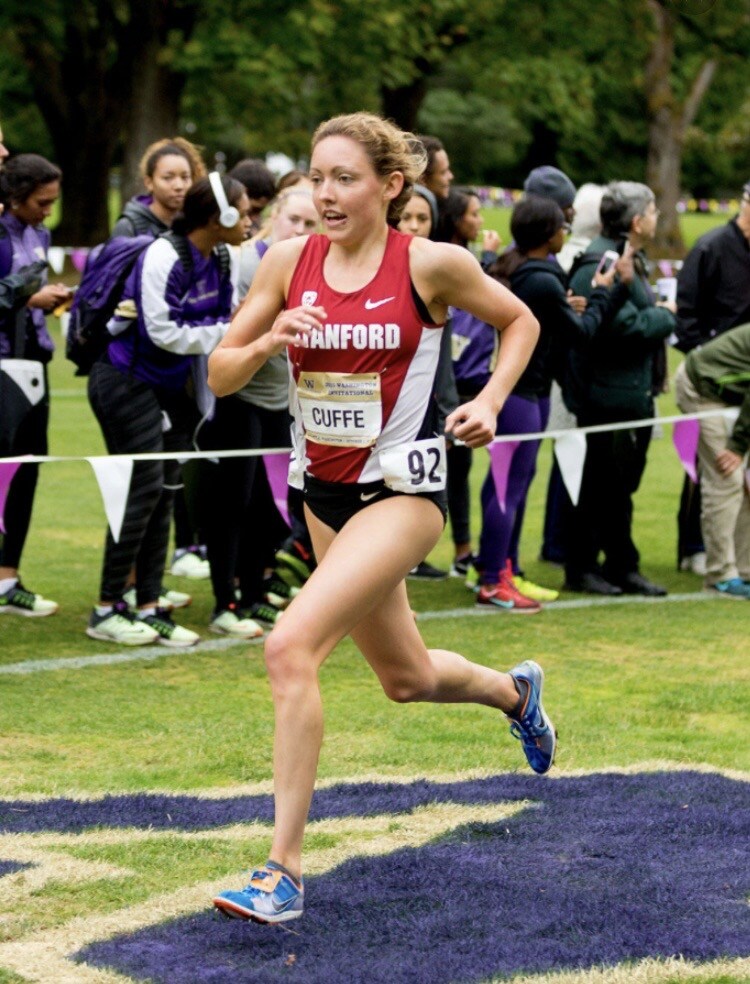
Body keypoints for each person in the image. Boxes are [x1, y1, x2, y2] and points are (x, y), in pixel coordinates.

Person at [210, 111, 555, 925]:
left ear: (390, 186)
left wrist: (490, 400)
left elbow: (521, 320)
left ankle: (281, 872)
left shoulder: (432, 263)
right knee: (406, 679)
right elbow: (221, 374)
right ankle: (515, 694)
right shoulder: (288, 263)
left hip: (402, 496)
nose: (325, 194)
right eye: (316, 177)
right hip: (324, 496)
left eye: (344, 179)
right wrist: (268, 342)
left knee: (289, 645)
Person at [86, 174, 251, 646]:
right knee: (140, 490)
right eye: (244, 209)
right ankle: (105, 608)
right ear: (219, 216)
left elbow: (223, 318)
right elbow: (164, 331)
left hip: (172, 385)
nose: (251, 219)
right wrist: (228, 331)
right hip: (125, 380)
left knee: (166, 489)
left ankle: (150, 604)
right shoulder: (164, 254)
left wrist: (228, 328)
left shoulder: (221, 255)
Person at [467, 196, 631, 613]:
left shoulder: (523, 270)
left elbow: (550, 317)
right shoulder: (540, 279)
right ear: (547, 233)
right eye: (562, 225)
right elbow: (581, 334)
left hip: (530, 392)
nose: (566, 231)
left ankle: (506, 568)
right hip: (520, 394)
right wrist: (599, 296)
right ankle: (491, 580)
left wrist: (566, 307)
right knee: (506, 487)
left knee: (512, 485)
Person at [198, 186, 320, 639]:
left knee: (270, 504)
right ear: (274, 218)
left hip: (281, 402)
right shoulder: (248, 263)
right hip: (240, 397)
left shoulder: (318, 266)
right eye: (294, 221)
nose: (302, 230)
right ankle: (224, 602)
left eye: (311, 224)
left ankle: (256, 592)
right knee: (234, 503)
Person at [563, 181, 675, 596]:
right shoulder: (601, 261)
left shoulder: (630, 260)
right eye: (652, 210)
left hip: (631, 392)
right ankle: (584, 567)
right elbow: (618, 326)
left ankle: (621, 564)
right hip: (607, 393)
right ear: (635, 220)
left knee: (620, 484)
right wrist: (666, 316)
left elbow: (638, 311)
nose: (657, 216)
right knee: (598, 484)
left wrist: (648, 304)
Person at [111, 136, 211, 586]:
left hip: (177, 370)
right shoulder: (132, 230)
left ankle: (152, 583)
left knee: (166, 480)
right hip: (133, 368)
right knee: (138, 483)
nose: (177, 185)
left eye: (185, 177)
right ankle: (128, 586)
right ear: (147, 180)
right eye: (168, 177)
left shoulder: (194, 236)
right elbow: (142, 312)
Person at [0, 153, 70, 616]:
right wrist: (31, 297)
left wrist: (50, 302)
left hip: (36, 362)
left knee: (28, 467)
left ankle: (10, 577)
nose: (48, 211)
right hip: (3, 365)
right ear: (15, 197)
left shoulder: (41, 234)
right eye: (41, 203)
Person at [673, 181, 750, 576]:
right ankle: (696, 550)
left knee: (734, 470)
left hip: (741, 378)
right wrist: (706, 354)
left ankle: (737, 562)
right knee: (711, 468)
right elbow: (685, 315)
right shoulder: (712, 247)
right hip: (708, 376)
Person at [674, 323, 750, 597]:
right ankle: (720, 576)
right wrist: (738, 446)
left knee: (746, 484)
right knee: (727, 477)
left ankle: (744, 571)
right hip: (700, 387)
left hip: (731, 394)